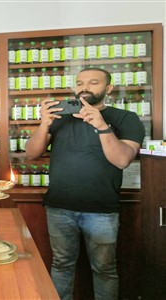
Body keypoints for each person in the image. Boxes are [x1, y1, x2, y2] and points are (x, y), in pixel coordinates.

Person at [25, 67, 145, 300]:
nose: (84, 87)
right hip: (59, 206)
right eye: (79, 83)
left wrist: (101, 126)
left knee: (104, 269)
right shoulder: (63, 118)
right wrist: (44, 124)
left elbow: (122, 160)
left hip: (102, 209)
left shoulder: (125, 118)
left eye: (93, 82)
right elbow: (31, 153)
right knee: (61, 265)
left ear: (108, 89)